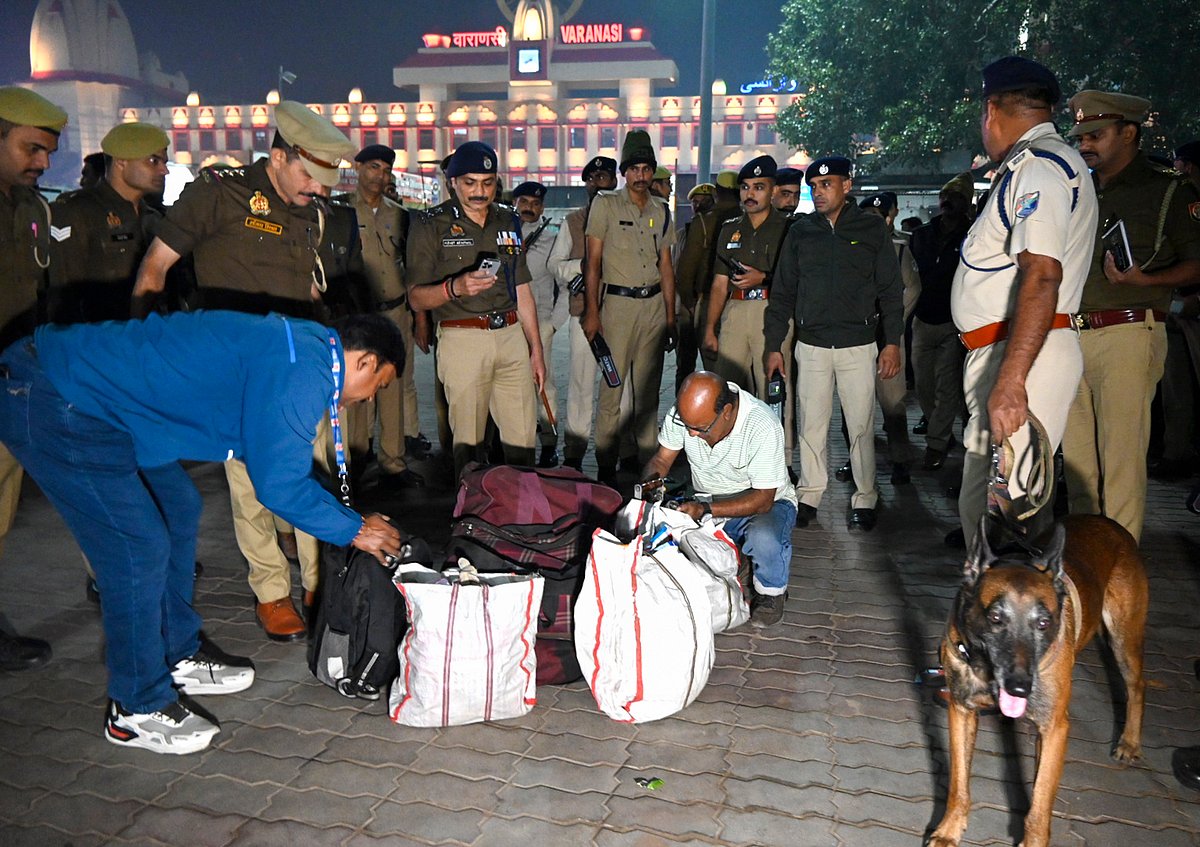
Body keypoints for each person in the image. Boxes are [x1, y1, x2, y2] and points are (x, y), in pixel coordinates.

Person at [0, 311, 404, 753]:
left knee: (178, 506)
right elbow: (279, 487)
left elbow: (274, 457)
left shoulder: (305, 350)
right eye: (379, 386)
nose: (368, 400)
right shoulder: (304, 371)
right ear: (364, 362)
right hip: (57, 395)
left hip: (110, 408)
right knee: (136, 547)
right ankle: (134, 707)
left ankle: (176, 652)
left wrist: (347, 519)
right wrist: (354, 529)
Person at [132, 100, 357, 641]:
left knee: (314, 473)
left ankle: (318, 580)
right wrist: (142, 352)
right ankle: (272, 592)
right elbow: (156, 267)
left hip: (299, 368)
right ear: (278, 156)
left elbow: (306, 287)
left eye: (326, 181)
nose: (318, 189)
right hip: (232, 371)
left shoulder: (310, 210)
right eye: (310, 174)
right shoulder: (219, 192)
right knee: (249, 483)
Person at [951, 57, 1097, 546]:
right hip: (1010, 350)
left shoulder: (1040, 168)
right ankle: (988, 615)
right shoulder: (1033, 165)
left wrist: (1012, 381)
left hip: (1025, 354)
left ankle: (1016, 621)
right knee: (984, 507)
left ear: (992, 109)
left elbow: (1042, 274)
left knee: (1008, 512)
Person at [1061, 91, 1200, 544]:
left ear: (1129, 133)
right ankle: (1085, 564)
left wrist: (1144, 281)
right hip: (1070, 334)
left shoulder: (1168, 190)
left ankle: (1118, 570)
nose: (1085, 146)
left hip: (1128, 330)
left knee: (1120, 462)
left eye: (1096, 135)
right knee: (1078, 466)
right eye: (1080, 136)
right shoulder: (1077, 189)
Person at [765, 156, 903, 532]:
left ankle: (865, 497)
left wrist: (892, 343)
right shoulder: (800, 231)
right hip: (810, 346)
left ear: (847, 186)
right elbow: (782, 293)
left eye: (827, 185)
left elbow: (891, 291)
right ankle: (809, 495)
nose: (819, 192)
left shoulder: (870, 230)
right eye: (814, 187)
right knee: (811, 424)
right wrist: (774, 345)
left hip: (858, 344)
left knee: (860, 425)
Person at [406, 141, 545, 474]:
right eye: (470, 183)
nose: (480, 192)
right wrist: (454, 287)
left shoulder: (507, 219)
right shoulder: (430, 224)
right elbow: (415, 297)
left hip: (511, 335)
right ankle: (471, 518)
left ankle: (522, 516)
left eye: (487, 183)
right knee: (468, 444)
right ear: (453, 182)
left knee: (523, 439)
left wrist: (536, 350)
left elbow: (522, 285)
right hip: (462, 338)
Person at [641, 372, 797, 627]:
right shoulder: (686, 415)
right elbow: (661, 459)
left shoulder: (762, 425)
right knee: (669, 542)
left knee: (764, 537)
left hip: (764, 505)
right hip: (708, 503)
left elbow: (763, 500)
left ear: (726, 411)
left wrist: (704, 509)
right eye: (687, 426)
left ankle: (771, 593)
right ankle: (738, 557)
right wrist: (648, 491)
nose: (690, 435)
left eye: (700, 428)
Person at [0, 86, 66, 672]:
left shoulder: (29, 209)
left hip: (15, 379)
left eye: (47, 152)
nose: (42, 163)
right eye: (30, 148)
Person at [582, 130, 678, 485]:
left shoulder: (661, 211)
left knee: (649, 392)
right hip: (617, 308)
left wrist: (670, 317)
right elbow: (592, 263)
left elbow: (666, 265)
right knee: (612, 387)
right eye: (634, 168)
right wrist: (592, 313)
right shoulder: (605, 205)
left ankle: (646, 463)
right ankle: (606, 463)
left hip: (653, 307)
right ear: (624, 172)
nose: (641, 175)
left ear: (653, 172)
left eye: (646, 168)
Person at [335, 143, 423, 490]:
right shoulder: (340, 211)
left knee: (393, 385)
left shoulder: (400, 214)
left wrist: (418, 317)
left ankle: (393, 461)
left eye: (386, 170)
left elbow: (410, 265)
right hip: (358, 315)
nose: (380, 176)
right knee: (355, 389)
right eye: (373, 167)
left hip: (395, 311)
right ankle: (356, 458)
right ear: (357, 168)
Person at [830, 191, 919, 485]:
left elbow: (912, 288)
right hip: (855, 339)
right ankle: (855, 460)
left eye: (877, 218)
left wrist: (892, 323)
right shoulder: (848, 249)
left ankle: (899, 460)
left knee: (892, 404)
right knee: (851, 406)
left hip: (887, 339)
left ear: (888, 220)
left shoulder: (898, 250)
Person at [48, 122, 169, 324]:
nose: (164, 170)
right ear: (121, 161)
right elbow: (63, 294)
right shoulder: (76, 211)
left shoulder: (153, 219)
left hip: (149, 337)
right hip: (99, 339)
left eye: (164, 162)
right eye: (153, 161)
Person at [548, 156, 619, 470]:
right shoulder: (574, 221)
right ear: (587, 183)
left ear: (615, 180)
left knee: (621, 387)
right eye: (594, 178)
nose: (600, 182)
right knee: (580, 385)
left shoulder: (626, 215)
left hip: (621, 312)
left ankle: (614, 452)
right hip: (583, 314)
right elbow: (555, 264)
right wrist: (581, 268)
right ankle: (574, 454)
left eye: (605, 176)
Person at [703, 155, 790, 405]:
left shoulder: (788, 228)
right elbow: (719, 283)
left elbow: (795, 279)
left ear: (773, 191)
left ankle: (780, 444)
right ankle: (728, 443)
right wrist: (710, 328)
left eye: (759, 187)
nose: (750, 194)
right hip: (736, 310)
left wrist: (763, 278)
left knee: (774, 389)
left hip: (772, 312)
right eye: (745, 187)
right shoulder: (729, 228)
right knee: (725, 390)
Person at [910, 174, 973, 471]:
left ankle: (936, 443)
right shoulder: (922, 235)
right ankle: (940, 431)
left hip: (953, 321)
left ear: (967, 203)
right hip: (923, 318)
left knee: (947, 386)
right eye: (946, 196)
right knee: (923, 384)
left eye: (958, 197)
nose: (949, 202)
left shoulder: (972, 236)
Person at [512, 181, 564, 467]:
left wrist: (554, 324)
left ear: (542, 207)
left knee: (545, 384)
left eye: (535, 203)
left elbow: (565, 285)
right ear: (516, 202)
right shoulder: (502, 233)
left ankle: (548, 442)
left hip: (541, 321)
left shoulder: (553, 236)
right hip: (507, 323)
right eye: (524, 202)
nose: (529, 208)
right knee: (511, 384)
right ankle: (516, 441)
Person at [674, 171, 740, 380]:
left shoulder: (703, 223)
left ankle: (688, 409)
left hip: (705, 301)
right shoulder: (747, 220)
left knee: (690, 365)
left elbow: (686, 269)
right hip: (737, 302)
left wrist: (689, 301)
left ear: (717, 194)